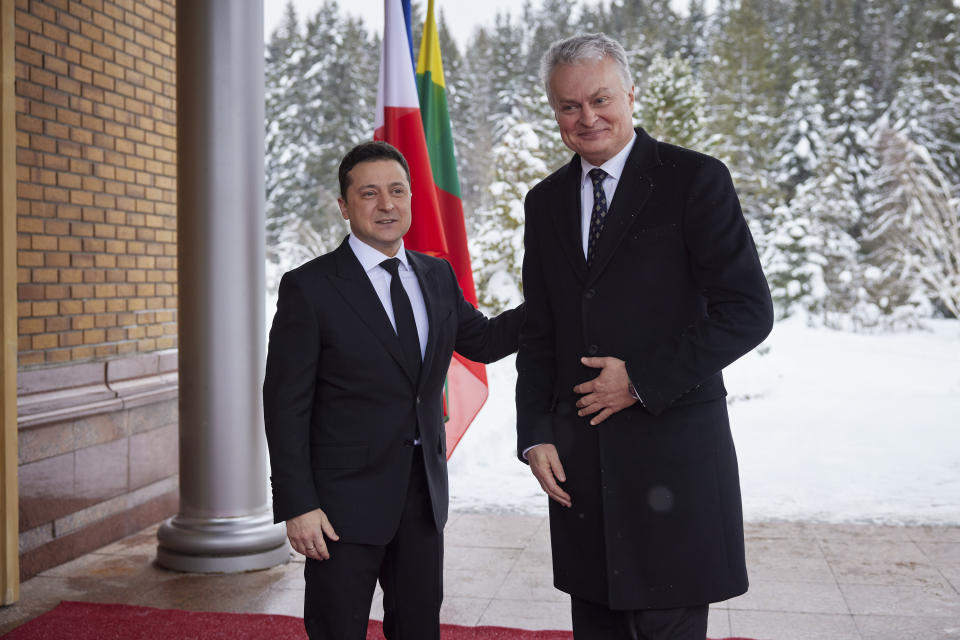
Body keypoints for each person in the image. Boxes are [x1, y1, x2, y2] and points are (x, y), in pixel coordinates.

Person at [516, 33, 774, 639]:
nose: (587, 118)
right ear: (555, 112)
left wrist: (637, 380)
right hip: (583, 469)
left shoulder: (695, 180)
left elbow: (747, 310)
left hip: (674, 462)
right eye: (568, 107)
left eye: (601, 99)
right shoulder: (544, 201)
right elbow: (540, 328)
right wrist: (535, 433)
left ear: (631, 94)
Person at [263, 141, 523, 640]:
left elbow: (486, 341)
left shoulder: (436, 275)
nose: (386, 204)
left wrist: (554, 298)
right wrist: (298, 505)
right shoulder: (310, 288)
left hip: (422, 500)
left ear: (410, 199)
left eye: (397, 191)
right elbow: (284, 406)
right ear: (344, 206)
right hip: (341, 508)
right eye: (369, 193)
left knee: (419, 630)